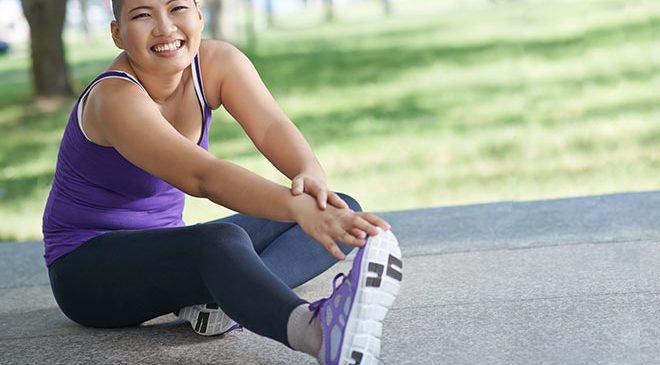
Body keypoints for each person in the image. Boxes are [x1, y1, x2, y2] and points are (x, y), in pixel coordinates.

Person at [41, 0, 403, 364]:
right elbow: (204, 177)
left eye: (177, 7)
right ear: (118, 33)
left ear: (200, 16)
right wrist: (297, 205)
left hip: (168, 252)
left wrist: (309, 176)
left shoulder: (217, 63)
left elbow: (270, 125)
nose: (165, 27)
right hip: (87, 272)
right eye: (142, 14)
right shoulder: (114, 98)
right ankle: (316, 332)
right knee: (221, 241)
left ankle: (226, 304)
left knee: (340, 207)